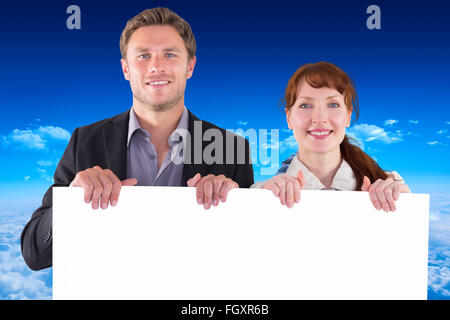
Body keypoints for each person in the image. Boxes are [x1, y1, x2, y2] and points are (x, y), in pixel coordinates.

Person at [21, 7, 254, 271]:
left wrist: (238, 210)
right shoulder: (84, 142)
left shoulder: (230, 148)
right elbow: (34, 254)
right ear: (125, 69)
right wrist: (71, 204)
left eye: (170, 54)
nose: (156, 66)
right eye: (143, 56)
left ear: (190, 66)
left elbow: (251, 259)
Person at [251, 61, 410, 210]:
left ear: (348, 116)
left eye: (333, 104)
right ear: (289, 118)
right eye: (305, 105)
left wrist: (404, 206)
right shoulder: (259, 194)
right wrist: (260, 200)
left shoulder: (387, 184)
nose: (319, 118)